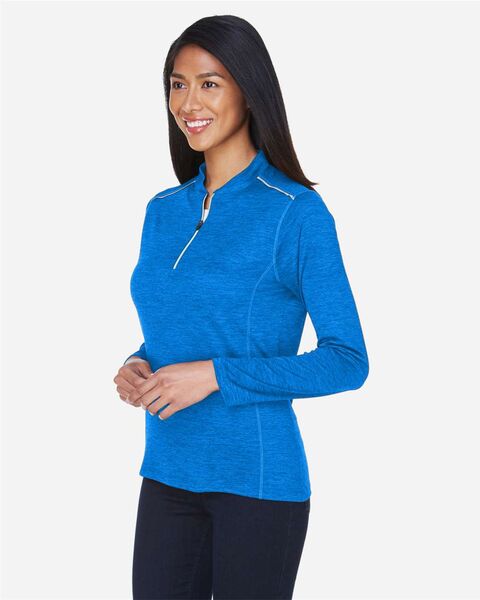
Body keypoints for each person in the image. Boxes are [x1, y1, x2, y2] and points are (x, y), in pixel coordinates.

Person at [113, 14, 369, 600]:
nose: (189, 102)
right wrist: (138, 362)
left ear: (249, 92)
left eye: (210, 83)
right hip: (167, 474)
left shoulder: (296, 213)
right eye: (178, 84)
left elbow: (347, 360)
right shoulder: (162, 210)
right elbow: (185, 327)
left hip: (256, 481)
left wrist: (216, 377)